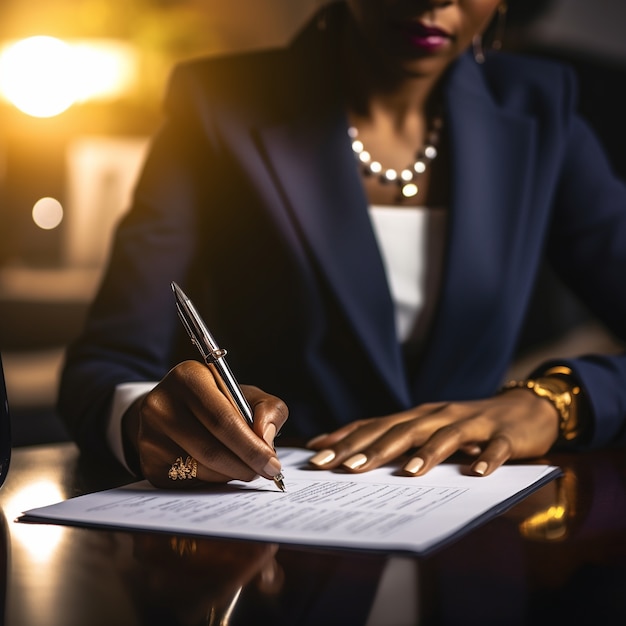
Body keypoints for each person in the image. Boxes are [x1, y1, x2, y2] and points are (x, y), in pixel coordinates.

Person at [58, 0, 626, 489]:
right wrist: (144, 421)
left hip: (478, 539)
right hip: (271, 541)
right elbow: (105, 363)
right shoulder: (216, 106)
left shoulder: (540, 109)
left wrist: (558, 402)